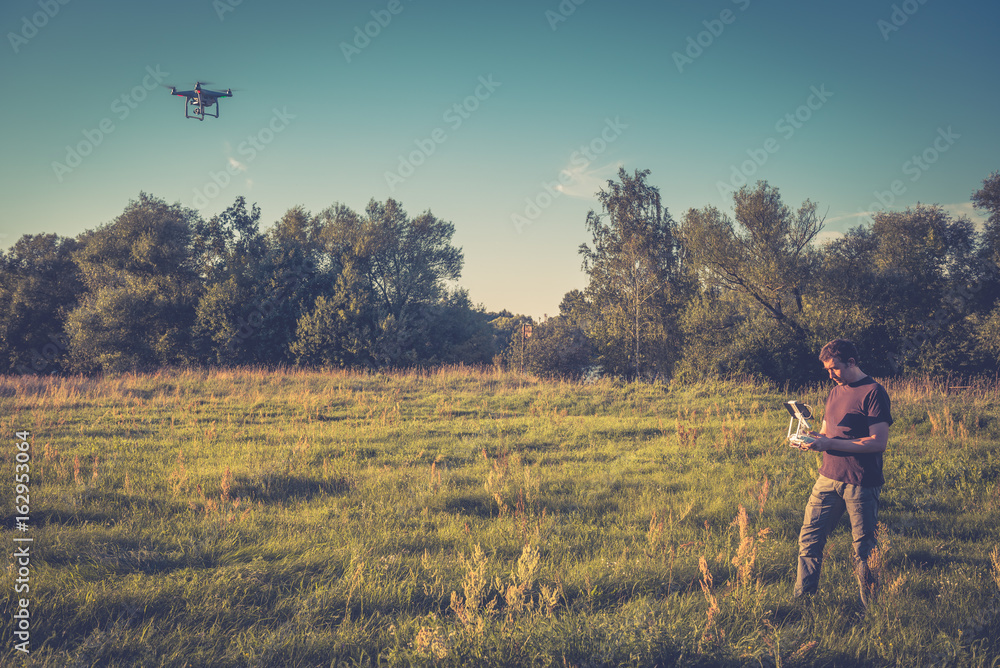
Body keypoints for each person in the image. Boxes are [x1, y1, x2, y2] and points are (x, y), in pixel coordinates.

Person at [793, 338, 892, 608]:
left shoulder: (873, 392)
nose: (830, 374)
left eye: (834, 368)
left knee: (864, 550)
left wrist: (829, 443)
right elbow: (827, 432)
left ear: (852, 362)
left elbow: (877, 442)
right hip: (827, 477)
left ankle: (872, 610)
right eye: (826, 369)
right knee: (810, 538)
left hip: (860, 482)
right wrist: (813, 439)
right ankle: (803, 600)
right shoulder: (835, 391)